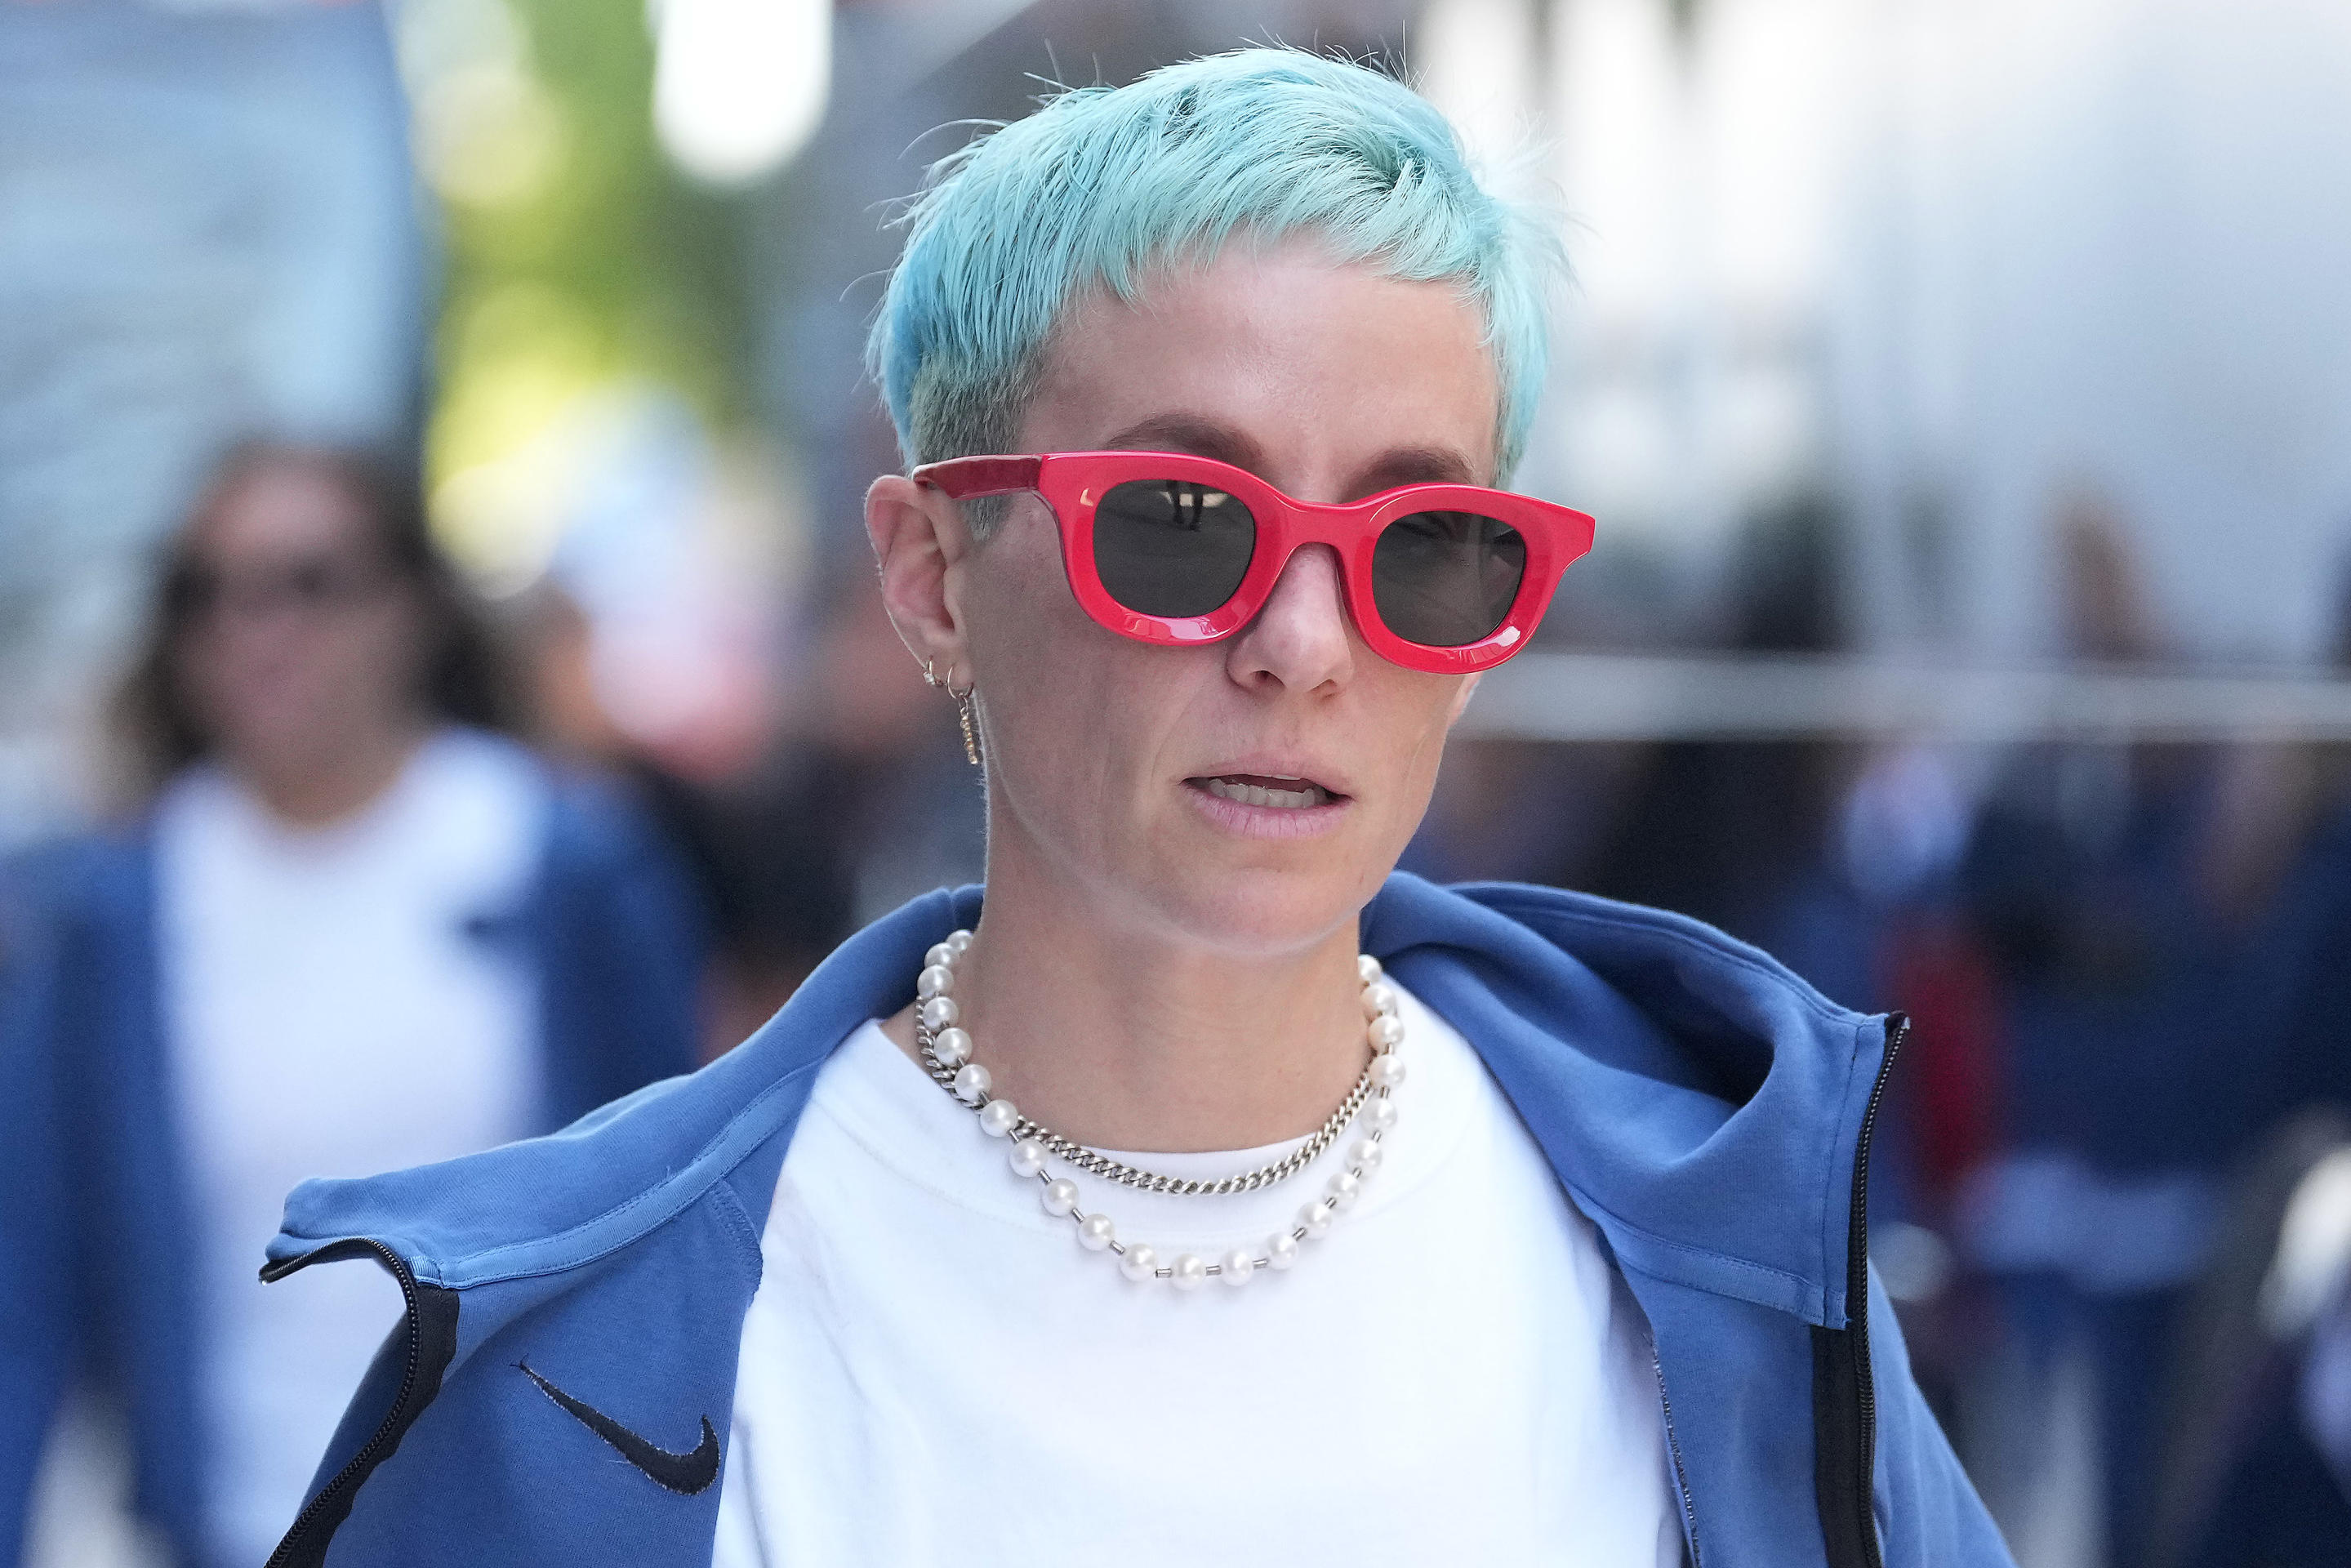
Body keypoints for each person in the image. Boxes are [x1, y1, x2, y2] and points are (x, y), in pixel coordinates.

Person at [243, 52, 2010, 1566]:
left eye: (1430, 549)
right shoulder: (583, 1348)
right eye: (1183, 520)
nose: (1302, 645)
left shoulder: (1736, 1271)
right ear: (933, 573)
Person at [0, 443, 706, 1568]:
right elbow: (27, 1277)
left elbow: (673, 1228)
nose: (255, 628)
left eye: (310, 582)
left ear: (411, 607)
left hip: (516, 1529)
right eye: (205, 593)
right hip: (229, 1533)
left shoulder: (561, 859)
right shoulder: (116, 911)